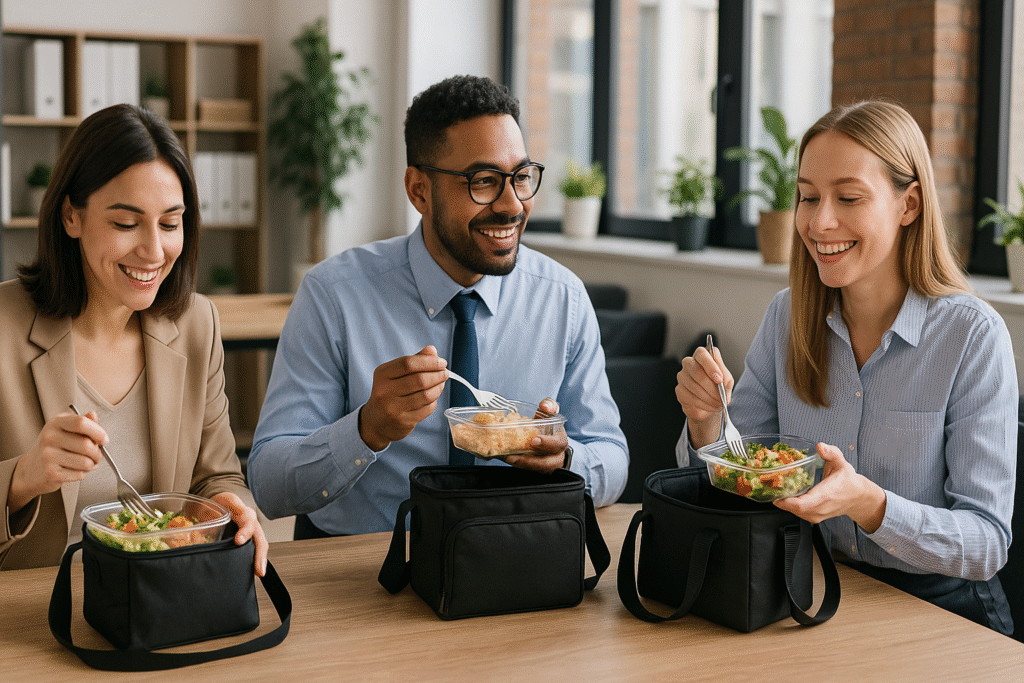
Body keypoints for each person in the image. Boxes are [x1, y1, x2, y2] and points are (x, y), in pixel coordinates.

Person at [674, 100, 1016, 634]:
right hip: (813, 589)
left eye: (848, 197)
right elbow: (737, 479)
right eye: (808, 197)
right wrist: (707, 427)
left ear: (910, 205)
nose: (819, 221)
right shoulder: (788, 315)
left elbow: (987, 542)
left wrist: (871, 505)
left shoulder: (972, 336)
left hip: (942, 612)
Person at [247, 75, 628, 537]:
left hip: (512, 559)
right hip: (366, 568)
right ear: (419, 191)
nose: (512, 206)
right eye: (483, 181)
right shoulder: (334, 295)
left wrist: (566, 458)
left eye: (521, 177)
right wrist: (367, 430)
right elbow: (267, 483)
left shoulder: (562, 298)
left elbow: (611, 455)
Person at [0, 104, 268, 574]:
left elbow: (217, 474)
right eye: (126, 223)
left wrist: (228, 503)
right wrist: (23, 478)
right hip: (29, 611)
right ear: (71, 216)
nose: (153, 250)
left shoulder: (196, 325)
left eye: (169, 223)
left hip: (154, 599)